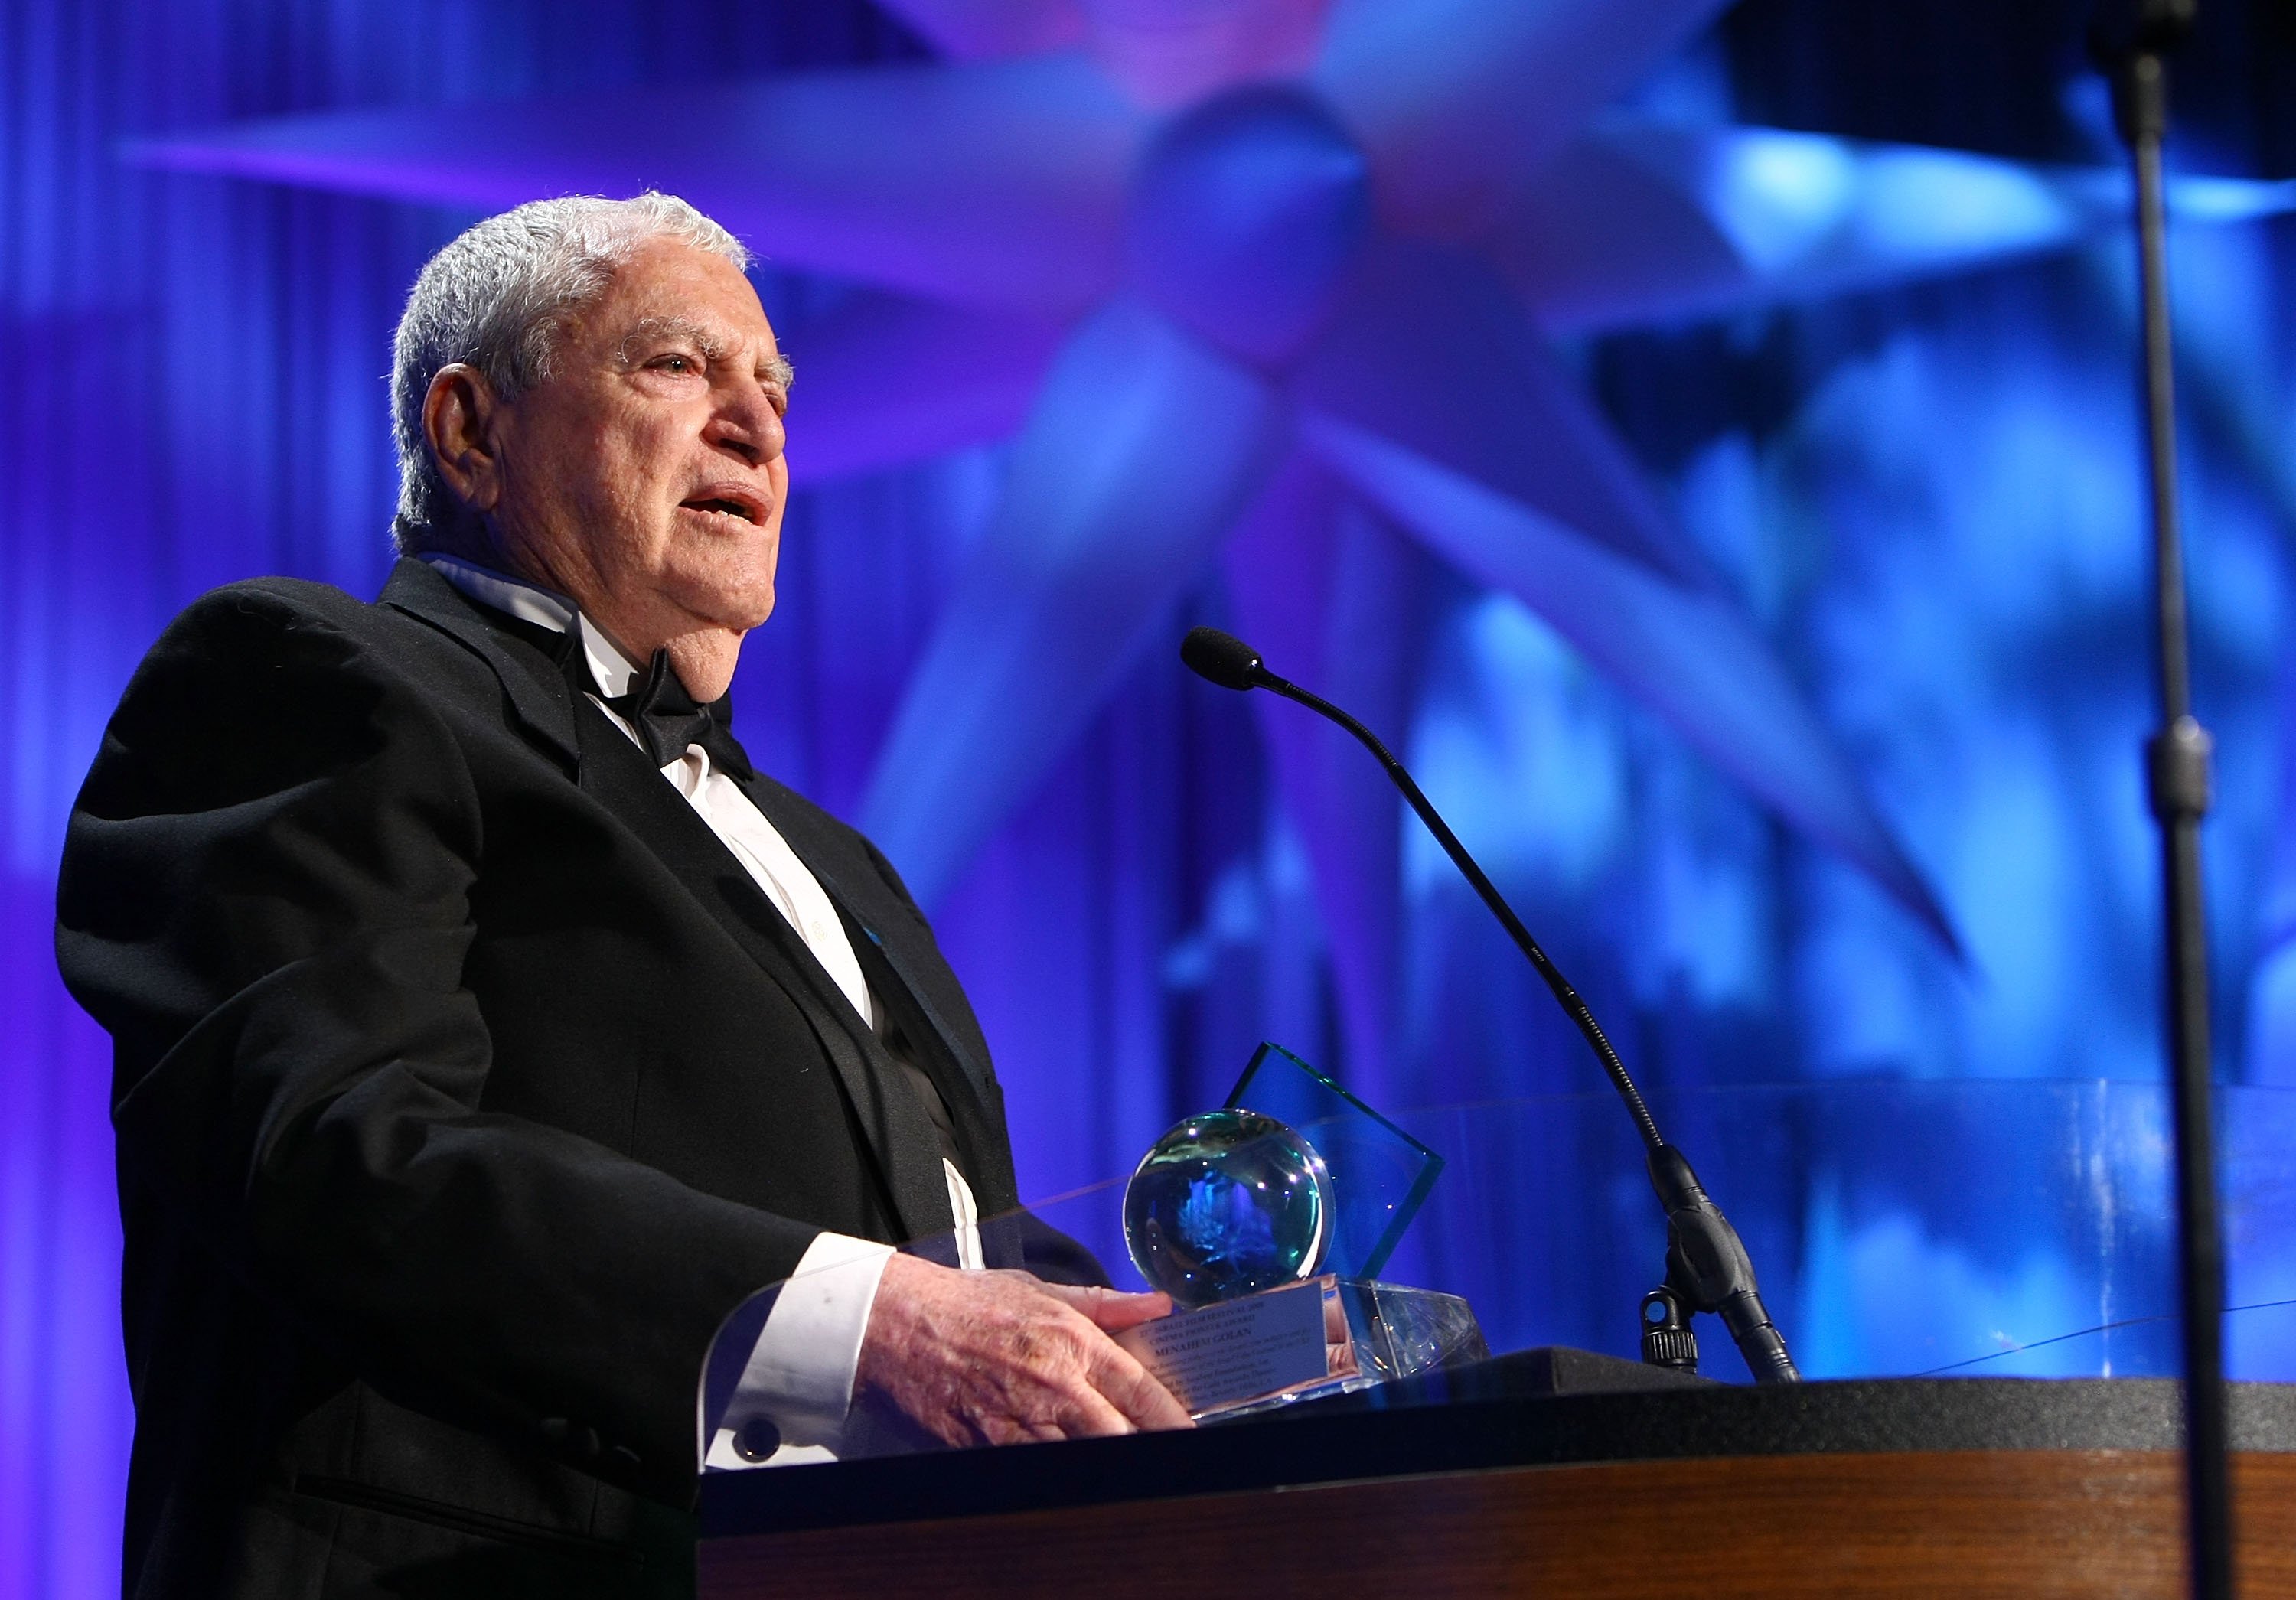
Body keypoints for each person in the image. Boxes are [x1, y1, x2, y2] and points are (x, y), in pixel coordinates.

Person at [56, 192, 1189, 1600]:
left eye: (773, 386)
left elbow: (939, 1240)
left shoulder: (837, 862)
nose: (759, 426)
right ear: (472, 432)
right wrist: (868, 1330)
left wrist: (1172, 1352)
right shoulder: (305, 679)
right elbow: (339, 1154)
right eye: (677, 366)